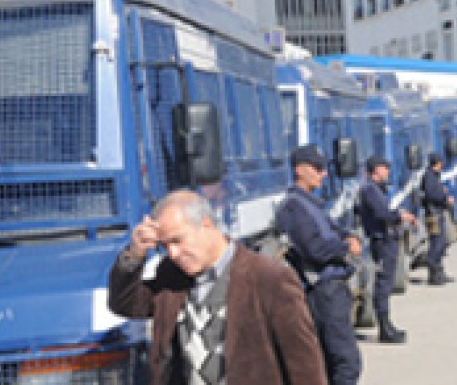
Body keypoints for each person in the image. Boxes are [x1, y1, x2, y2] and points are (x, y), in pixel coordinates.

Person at [108, 190, 327, 385]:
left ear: (206, 225)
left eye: (177, 241)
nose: (173, 253)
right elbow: (125, 303)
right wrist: (135, 254)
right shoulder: (172, 276)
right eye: (165, 246)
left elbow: (304, 364)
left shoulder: (268, 278)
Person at [275, 144, 362, 385]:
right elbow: (314, 249)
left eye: (324, 168)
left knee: (334, 361)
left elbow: (334, 230)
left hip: (334, 289)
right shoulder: (293, 206)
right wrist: (345, 248)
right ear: (299, 170)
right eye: (317, 168)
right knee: (346, 362)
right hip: (324, 291)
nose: (323, 174)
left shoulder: (312, 204)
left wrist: (349, 237)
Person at [358, 155, 417, 344]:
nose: (388, 172)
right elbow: (382, 214)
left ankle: (387, 324)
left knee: (387, 283)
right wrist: (400, 216)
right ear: (376, 169)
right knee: (383, 285)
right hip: (382, 241)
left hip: (387, 240)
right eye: (385, 168)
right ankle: (384, 328)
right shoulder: (369, 189)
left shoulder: (376, 189)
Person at [421, 153, 455, 286]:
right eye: (441, 162)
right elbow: (431, 194)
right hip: (433, 214)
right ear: (437, 163)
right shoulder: (429, 176)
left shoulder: (435, 176)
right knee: (436, 243)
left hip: (438, 213)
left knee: (441, 243)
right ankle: (434, 275)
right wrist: (445, 197)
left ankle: (440, 272)